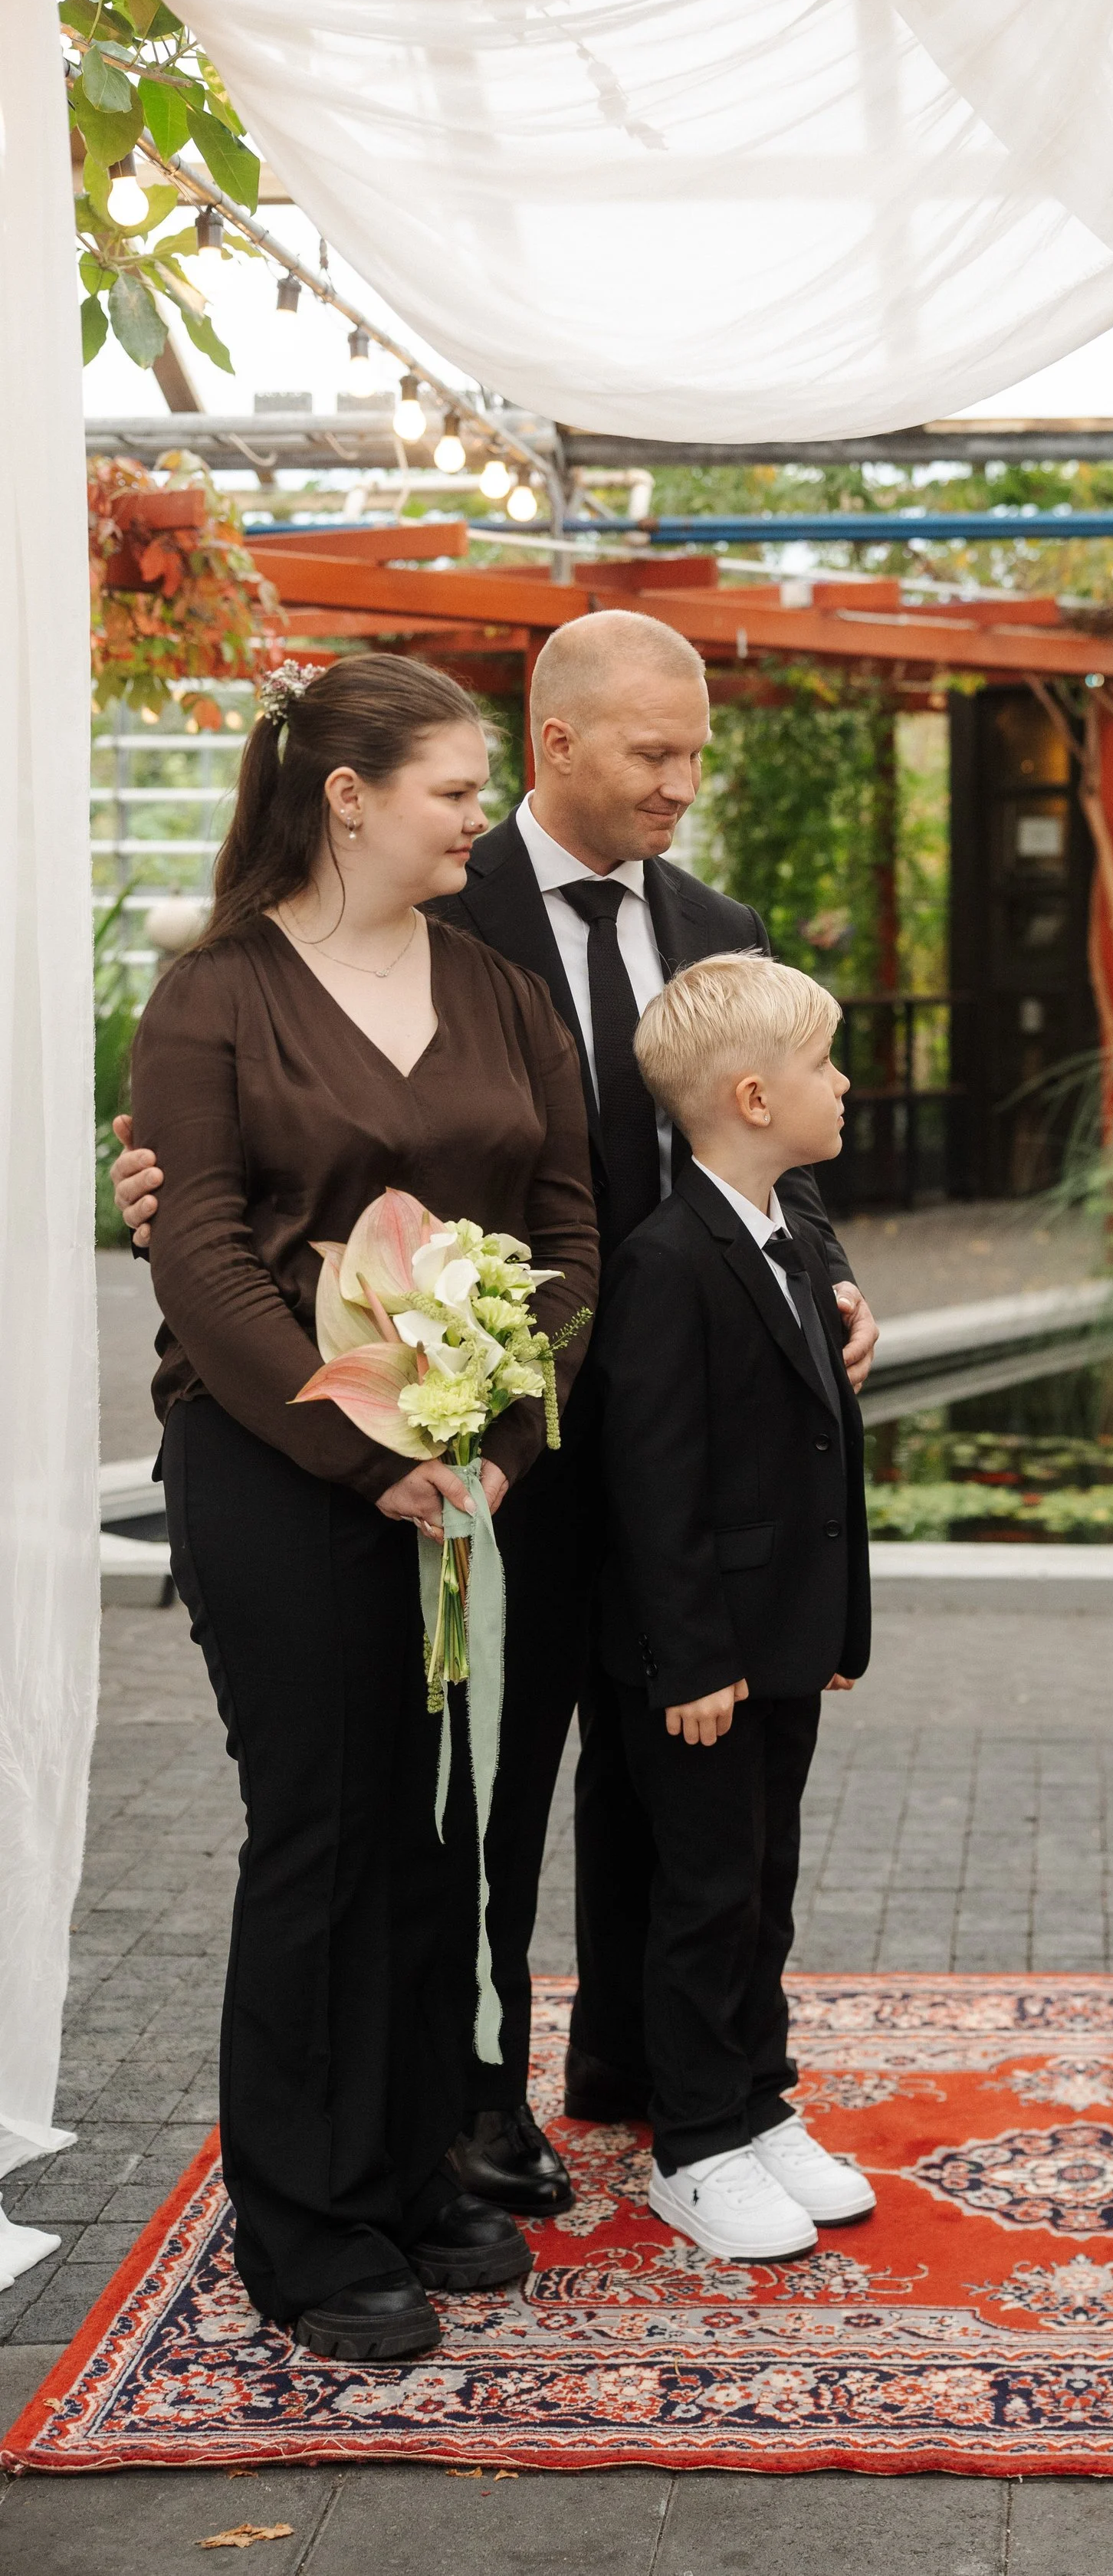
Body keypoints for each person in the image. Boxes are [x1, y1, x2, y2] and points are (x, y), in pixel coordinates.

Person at [111, 610, 879, 2219]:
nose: (682, 783)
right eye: (653, 753)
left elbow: (749, 1144)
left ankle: (642, 2066)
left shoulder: (709, 917)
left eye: (695, 753)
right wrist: (198, 1225)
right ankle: (472, 2112)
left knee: (673, 1764)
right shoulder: (450, 919)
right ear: (556, 748)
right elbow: (255, 1184)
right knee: (486, 1787)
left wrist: (822, 1277)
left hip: (634, 1429)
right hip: (454, 1444)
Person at [128, 652, 599, 2361]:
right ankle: (308, 2229)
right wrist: (364, 1448)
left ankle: (412, 2167)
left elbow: (567, 1229)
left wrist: (494, 1437)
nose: (483, 815)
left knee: (438, 1836)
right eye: (456, 790)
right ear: (348, 797)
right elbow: (194, 1255)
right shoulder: (216, 997)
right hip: (281, 1479)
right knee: (324, 1837)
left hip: (470, 1478)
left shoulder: (494, 989)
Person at [590, 953, 874, 2263]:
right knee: (704, 1893)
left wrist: (831, 1631)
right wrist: (690, 1658)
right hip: (704, 1663)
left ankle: (760, 2102)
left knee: (764, 1880)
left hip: (783, 1641)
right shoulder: (667, 1260)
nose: (846, 1083)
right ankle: (696, 2141)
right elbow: (655, 1480)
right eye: (826, 1065)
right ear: (755, 1097)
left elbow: (817, 1449)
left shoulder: (783, 1240)